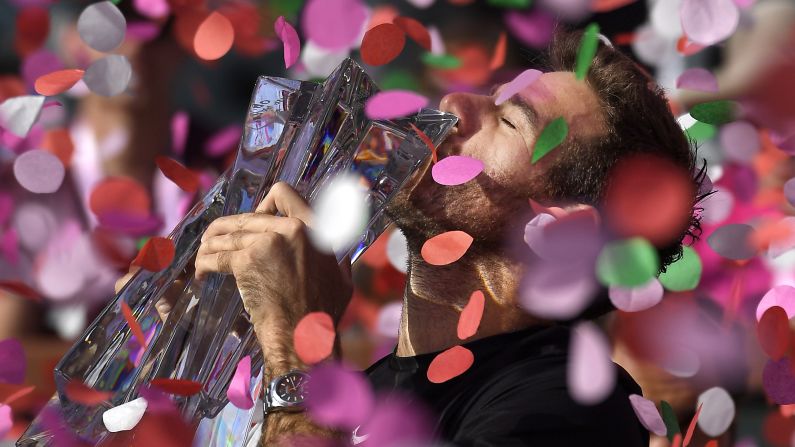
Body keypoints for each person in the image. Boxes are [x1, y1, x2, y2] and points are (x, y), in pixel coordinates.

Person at [140, 29, 704, 446]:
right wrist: (199, 366)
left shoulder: (573, 409)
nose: (455, 104)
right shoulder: (371, 392)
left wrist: (297, 353)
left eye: (510, 121)